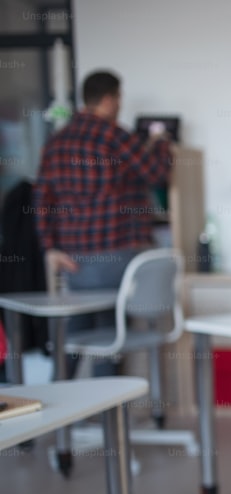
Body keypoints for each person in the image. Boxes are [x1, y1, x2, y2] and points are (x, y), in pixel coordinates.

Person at [34, 69, 172, 374]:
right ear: (109, 99)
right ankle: (108, 413)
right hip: (115, 259)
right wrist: (161, 142)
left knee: (78, 330)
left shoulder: (55, 143)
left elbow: (42, 199)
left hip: (75, 263)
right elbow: (155, 173)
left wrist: (49, 249)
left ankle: (57, 403)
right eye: (119, 98)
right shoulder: (114, 135)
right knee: (111, 330)